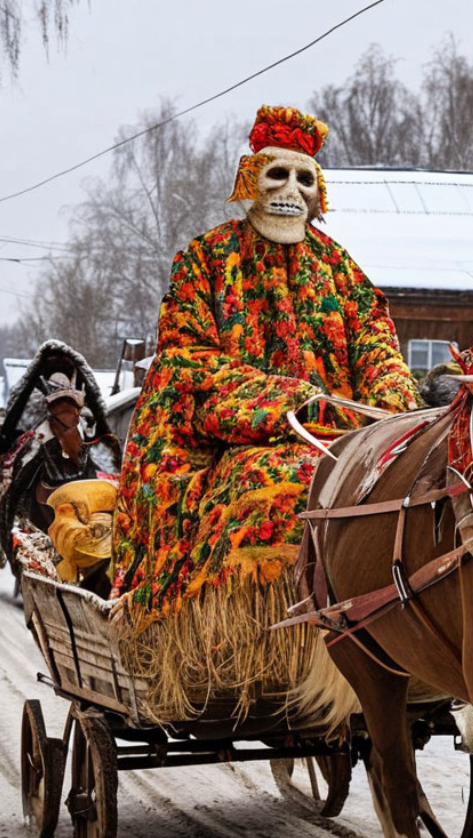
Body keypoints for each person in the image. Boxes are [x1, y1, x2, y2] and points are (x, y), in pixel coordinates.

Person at [110, 104, 418, 661]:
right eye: (278, 174)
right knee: (276, 486)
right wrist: (289, 401)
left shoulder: (340, 268)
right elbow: (186, 362)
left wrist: (393, 407)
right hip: (230, 440)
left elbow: (376, 342)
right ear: (251, 179)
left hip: (340, 434)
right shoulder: (205, 259)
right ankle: (248, 649)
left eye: (305, 179)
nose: (291, 191)